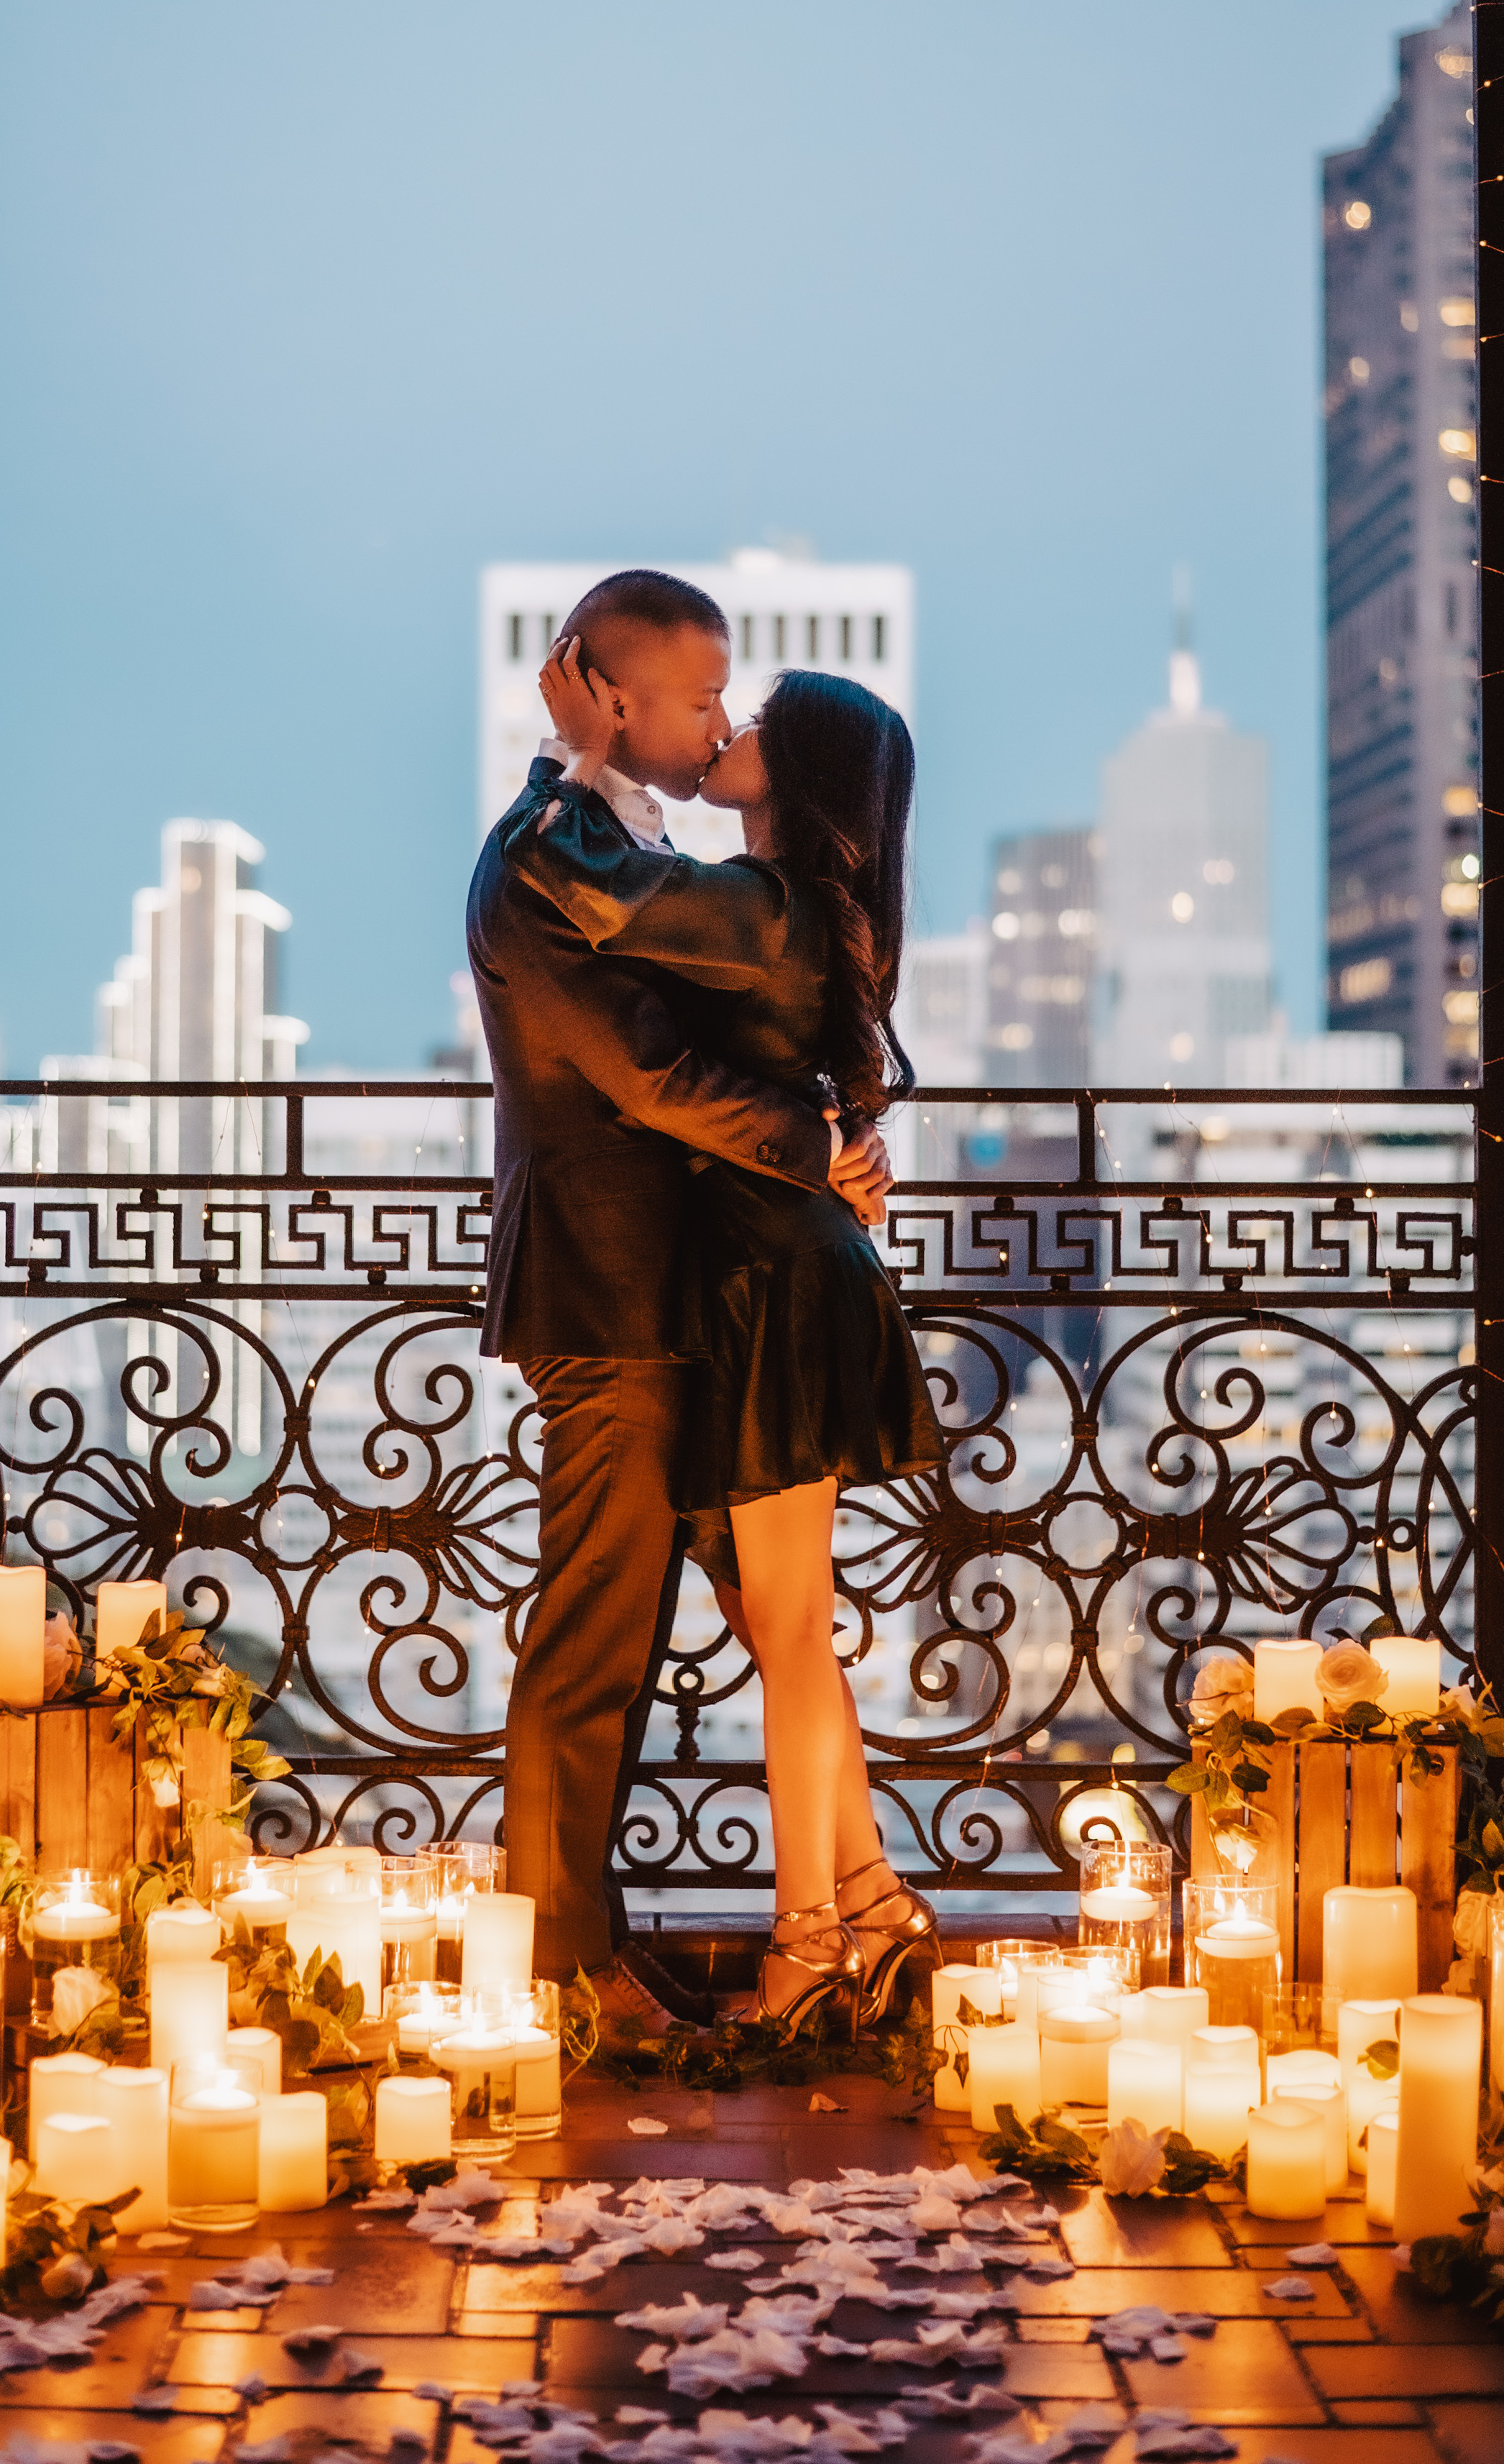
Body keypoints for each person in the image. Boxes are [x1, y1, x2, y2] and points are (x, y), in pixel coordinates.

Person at [465, 569, 891, 2035]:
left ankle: (842, 1914)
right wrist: (821, 1145)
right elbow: (646, 1074)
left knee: (762, 1622)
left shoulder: (660, 867)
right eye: (703, 696)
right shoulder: (540, 858)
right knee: (601, 1636)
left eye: (737, 706)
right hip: (617, 1298)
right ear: (607, 689)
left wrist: (822, 1138)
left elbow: (713, 1033)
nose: (719, 721)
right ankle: (566, 1974)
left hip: (709, 1301)